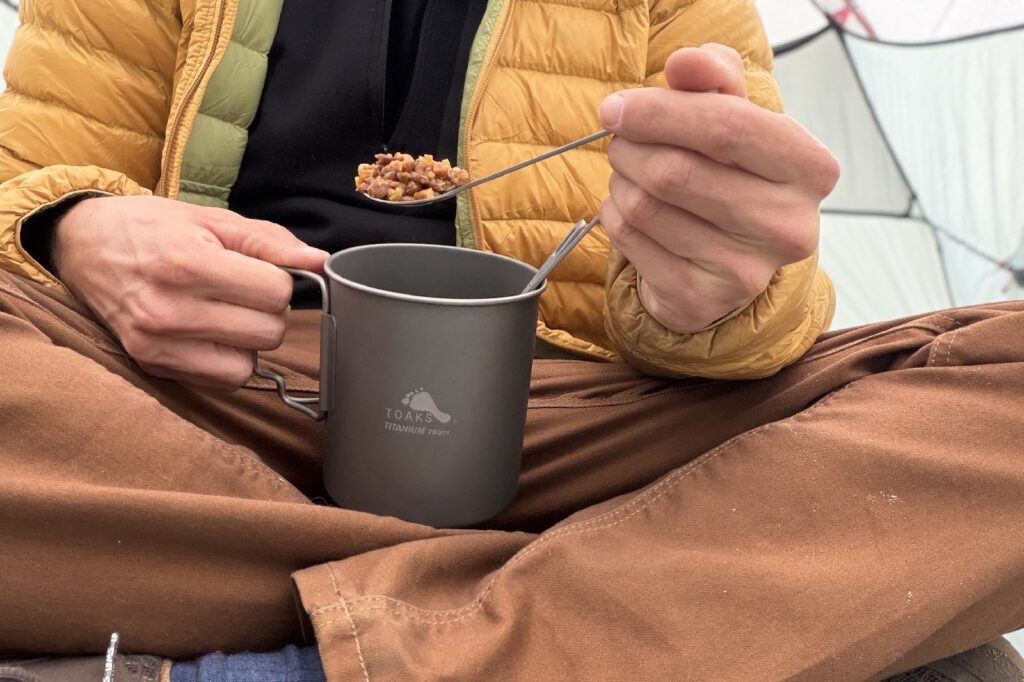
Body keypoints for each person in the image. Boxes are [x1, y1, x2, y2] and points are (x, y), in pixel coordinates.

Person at [0, 0, 1021, 680]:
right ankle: (588, 595)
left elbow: (762, 304)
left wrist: (716, 291)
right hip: (213, 378)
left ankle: (308, 634)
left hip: (558, 410)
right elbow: (25, 181)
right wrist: (75, 223)